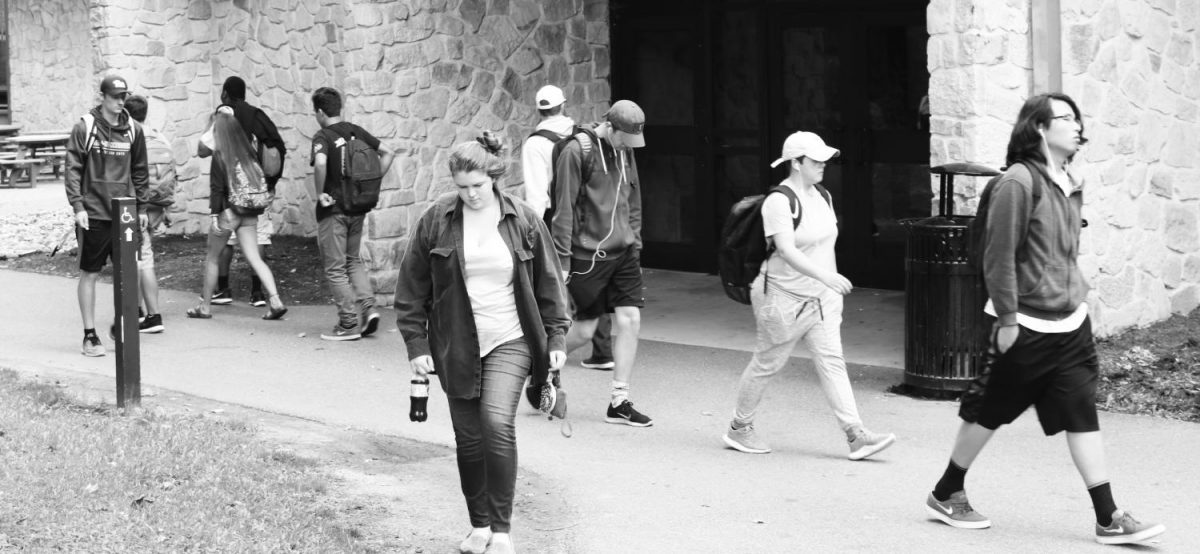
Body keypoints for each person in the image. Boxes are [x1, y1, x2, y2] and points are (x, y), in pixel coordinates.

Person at [924, 93, 1165, 546]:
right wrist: (1009, 320)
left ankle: (1108, 516)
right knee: (990, 411)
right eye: (1065, 118)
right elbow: (998, 258)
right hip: (1026, 325)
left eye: (1078, 118)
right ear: (1038, 128)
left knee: (1081, 413)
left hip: (1070, 325)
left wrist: (1078, 301)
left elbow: (1062, 253)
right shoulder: (1018, 183)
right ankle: (947, 490)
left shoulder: (1067, 180)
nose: (1076, 125)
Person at [395, 134, 569, 554]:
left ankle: (503, 531)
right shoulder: (437, 219)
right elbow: (411, 286)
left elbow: (548, 279)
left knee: (495, 423)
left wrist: (557, 333)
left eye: (478, 185)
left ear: (494, 177)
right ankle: (479, 527)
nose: (471, 194)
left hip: (511, 337)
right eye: (462, 186)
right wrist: (416, 345)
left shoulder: (523, 218)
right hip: (456, 342)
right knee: (468, 438)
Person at [721, 131, 896, 459]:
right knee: (767, 363)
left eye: (824, 159)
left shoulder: (823, 196)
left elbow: (823, 245)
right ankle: (739, 428)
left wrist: (828, 286)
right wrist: (827, 276)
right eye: (816, 160)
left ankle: (855, 435)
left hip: (822, 298)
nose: (823, 165)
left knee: (833, 361)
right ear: (796, 163)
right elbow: (786, 251)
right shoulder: (779, 201)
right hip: (783, 298)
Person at [548, 99, 653, 426]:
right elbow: (562, 209)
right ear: (610, 126)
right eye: (624, 138)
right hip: (586, 256)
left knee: (630, 320)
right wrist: (561, 261)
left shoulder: (626, 148)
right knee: (584, 331)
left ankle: (619, 400)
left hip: (623, 253)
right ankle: (540, 369)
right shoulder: (577, 151)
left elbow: (633, 196)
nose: (628, 146)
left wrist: (634, 239)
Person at [521, 84, 613, 370]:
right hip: (584, 213)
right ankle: (603, 349)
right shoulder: (580, 135)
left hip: (553, 216)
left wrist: (530, 230)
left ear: (539, 109)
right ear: (564, 105)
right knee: (589, 275)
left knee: (552, 280)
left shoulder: (535, 144)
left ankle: (545, 345)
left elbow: (537, 194)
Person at [65, 74, 150, 356]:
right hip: (94, 213)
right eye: (115, 96)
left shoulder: (134, 130)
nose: (120, 101)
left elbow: (140, 171)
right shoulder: (85, 127)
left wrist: (142, 208)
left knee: (130, 271)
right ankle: (89, 336)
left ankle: (122, 321)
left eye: (124, 96)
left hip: (124, 213)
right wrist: (78, 207)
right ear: (103, 96)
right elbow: (73, 168)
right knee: (90, 272)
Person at [309, 86, 395, 340]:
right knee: (352, 260)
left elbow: (321, 162)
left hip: (333, 210)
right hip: (358, 208)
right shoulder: (356, 131)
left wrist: (319, 193)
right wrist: (372, 182)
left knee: (335, 268)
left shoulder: (322, 135)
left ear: (321, 112)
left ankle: (348, 323)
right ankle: (369, 309)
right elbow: (388, 152)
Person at [186, 107, 288, 320]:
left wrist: (214, 216)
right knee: (255, 259)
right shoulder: (249, 151)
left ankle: (204, 307)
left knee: (212, 258)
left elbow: (217, 188)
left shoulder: (220, 154)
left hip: (228, 212)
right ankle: (276, 300)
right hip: (249, 212)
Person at [123, 94, 166, 334]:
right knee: (140, 255)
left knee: (141, 258)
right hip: (156, 204)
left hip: (136, 204)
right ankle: (139, 310)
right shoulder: (157, 134)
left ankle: (152, 315)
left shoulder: (130, 135)